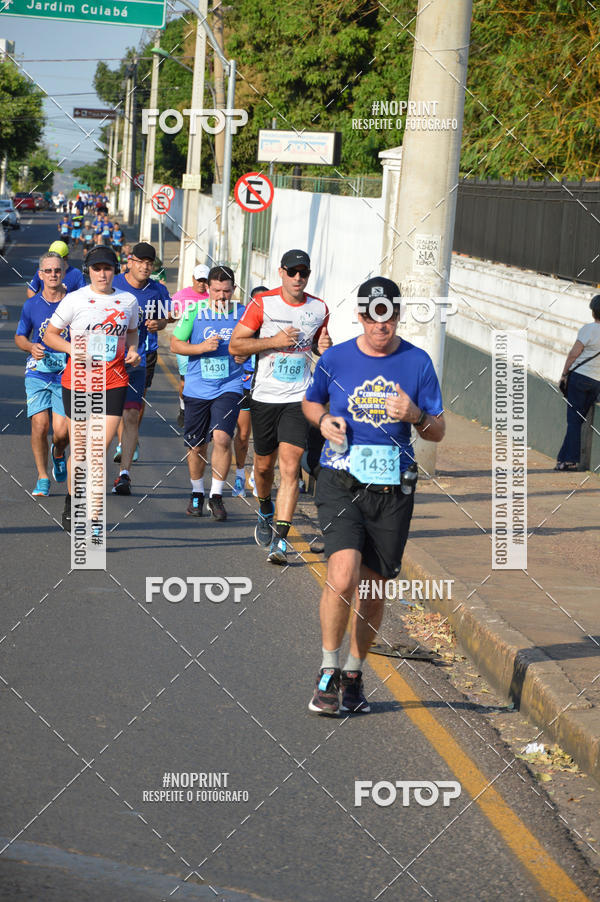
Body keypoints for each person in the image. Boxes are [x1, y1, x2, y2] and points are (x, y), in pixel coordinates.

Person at [301, 277, 445, 715]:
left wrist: (415, 414)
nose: (380, 324)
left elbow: (437, 429)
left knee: (373, 587)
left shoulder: (417, 362)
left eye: (388, 315)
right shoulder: (337, 357)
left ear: (397, 316)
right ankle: (328, 670)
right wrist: (323, 421)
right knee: (343, 574)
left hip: (392, 489)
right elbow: (311, 401)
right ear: (360, 315)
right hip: (340, 481)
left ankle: (353, 673)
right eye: (372, 315)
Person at [229, 249, 330, 564]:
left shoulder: (319, 308)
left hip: (298, 398)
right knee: (263, 467)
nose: (298, 278)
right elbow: (236, 345)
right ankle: (264, 508)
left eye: (304, 273)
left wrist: (324, 347)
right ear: (281, 272)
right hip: (264, 397)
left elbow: (320, 344)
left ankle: (281, 541)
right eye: (292, 272)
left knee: (290, 467)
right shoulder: (263, 303)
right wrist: (274, 341)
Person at [44, 245, 139, 532]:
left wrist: (133, 351)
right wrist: (72, 348)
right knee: (81, 453)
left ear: (115, 270)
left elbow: (132, 332)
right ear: (89, 271)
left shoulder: (128, 301)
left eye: (107, 268)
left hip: (114, 382)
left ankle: (94, 518)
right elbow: (50, 335)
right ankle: (72, 501)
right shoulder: (75, 299)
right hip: (78, 383)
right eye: (97, 268)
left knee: (98, 451)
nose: (102, 274)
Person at [170, 265, 246, 521]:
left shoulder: (243, 313)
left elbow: (254, 343)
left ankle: (216, 495)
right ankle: (197, 492)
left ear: (234, 289)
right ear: (209, 289)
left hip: (229, 385)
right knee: (196, 445)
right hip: (197, 387)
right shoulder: (194, 311)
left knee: (222, 438)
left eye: (226, 291)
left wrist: (246, 354)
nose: (222, 296)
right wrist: (200, 348)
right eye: (216, 291)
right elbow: (175, 344)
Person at [111, 242, 170, 492]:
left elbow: (168, 315)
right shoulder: (113, 284)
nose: (145, 267)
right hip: (107, 361)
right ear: (130, 262)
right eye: (141, 262)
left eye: (150, 263)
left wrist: (160, 323)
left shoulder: (157, 290)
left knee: (132, 413)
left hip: (139, 359)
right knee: (107, 416)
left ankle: (124, 474)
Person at [14, 252, 69, 497]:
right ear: (40, 275)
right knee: (40, 424)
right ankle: (42, 476)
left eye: (57, 270)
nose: (53, 274)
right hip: (38, 371)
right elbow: (20, 336)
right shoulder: (32, 304)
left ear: (63, 272)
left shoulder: (74, 302)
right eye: (48, 271)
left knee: (62, 432)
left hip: (67, 372)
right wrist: (30, 346)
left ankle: (59, 452)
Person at [555, 294, 600, 471]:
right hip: (596, 382)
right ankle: (562, 459)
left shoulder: (588, 329)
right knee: (577, 421)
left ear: (593, 312)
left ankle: (570, 461)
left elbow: (574, 354)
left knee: (573, 420)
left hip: (579, 377)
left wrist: (564, 374)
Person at [231, 285, 268, 498]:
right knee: (243, 434)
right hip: (245, 386)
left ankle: (256, 473)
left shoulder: (274, 330)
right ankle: (239, 476)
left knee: (264, 436)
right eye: (256, 302)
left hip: (267, 388)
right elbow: (231, 349)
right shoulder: (243, 327)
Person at [170, 264, 210, 427]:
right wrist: (173, 316)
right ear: (193, 279)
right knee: (185, 382)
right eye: (199, 280)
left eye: (205, 280)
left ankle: (201, 414)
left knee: (204, 381)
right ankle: (183, 408)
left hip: (207, 347)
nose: (202, 284)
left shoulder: (213, 297)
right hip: (185, 346)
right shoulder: (181, 296)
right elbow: (169, 315)